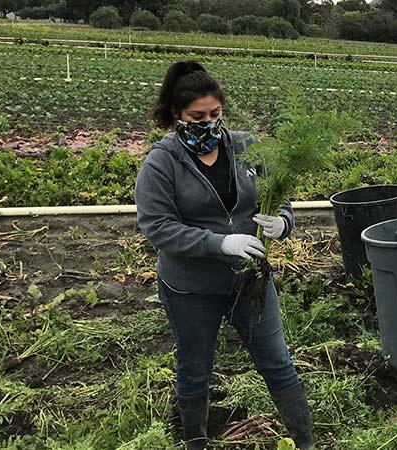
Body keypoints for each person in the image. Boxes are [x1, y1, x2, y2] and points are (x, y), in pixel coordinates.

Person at [135, 61, 314, 450]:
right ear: (176, 116)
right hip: (191, 288)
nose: (208, 123)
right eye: (196, 116)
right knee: (196, 369)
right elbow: (157, 226)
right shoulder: (162, 163)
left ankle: (305, 442)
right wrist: (219, 242)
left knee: (277, 361)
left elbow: (279, 193)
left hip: (249, 281)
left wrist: (283, 222)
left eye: (215, 114)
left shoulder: (246, 146)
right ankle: (196, 441)